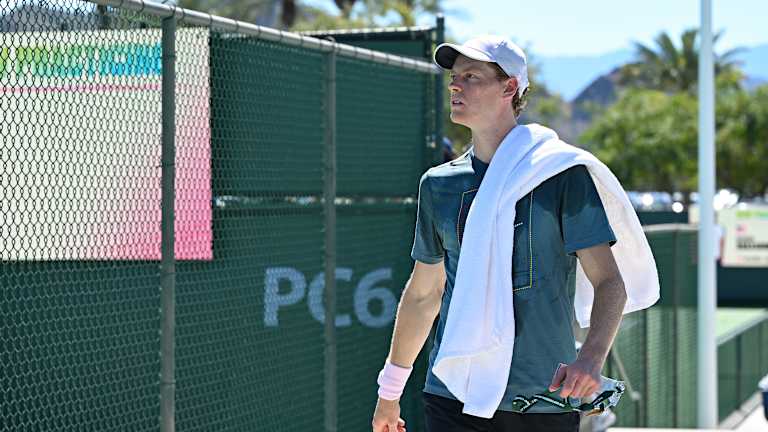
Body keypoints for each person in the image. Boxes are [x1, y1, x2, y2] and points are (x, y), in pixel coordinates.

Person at [371, 35, 655, 432]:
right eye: (454, 77)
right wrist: (389, 393)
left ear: (509, 88)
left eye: (471, 77)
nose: (455, 86)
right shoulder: (438, 184)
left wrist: (591, 358)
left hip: (542, 400)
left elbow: (610, 282)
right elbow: (423, 294)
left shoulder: (562, 174)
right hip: (452, 395)